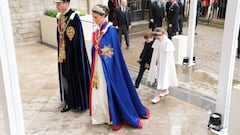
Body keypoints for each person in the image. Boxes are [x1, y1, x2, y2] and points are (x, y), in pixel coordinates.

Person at [90, 4, 150, 130]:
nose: (94, 20)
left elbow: (111, 51)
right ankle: (102, 113)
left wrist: (99, 49)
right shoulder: (97, 30)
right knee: (99, 88)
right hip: (98, 65)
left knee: (108, 88)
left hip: (109, 67)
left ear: (103, 16)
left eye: (96, 17)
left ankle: (112, 114)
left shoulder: (110, 30)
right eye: (93, 17)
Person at [55, 0, 91, 112]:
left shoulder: (74, 18)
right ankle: (68, 100)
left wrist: (70, 52)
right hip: (63, 53)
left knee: (74, 76)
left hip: (73, 54)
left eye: (59, 3)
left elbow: (76, 39)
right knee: (65, 76)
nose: (57, 6)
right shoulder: (60, 17)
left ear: (66, 3)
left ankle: (78, 101)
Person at [147, 27, 178, 104]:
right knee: (159, 77)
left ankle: (157, 96)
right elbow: (155, 52)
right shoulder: (157, 41)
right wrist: (156, 60)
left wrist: (164, 65)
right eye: (156, 37)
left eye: (159, 36)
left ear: (163, 34)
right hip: (159, 63)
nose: (157, 38)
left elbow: (169, 57)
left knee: (161, 78)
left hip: (164, 65)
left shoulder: (167, 42)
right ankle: (165, 90)